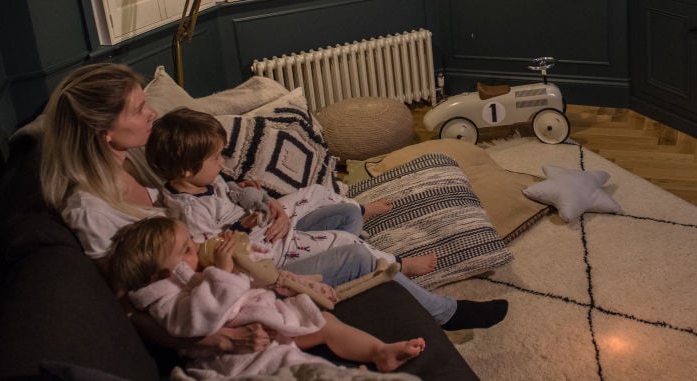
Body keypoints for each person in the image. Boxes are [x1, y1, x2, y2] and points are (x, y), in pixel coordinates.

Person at [39, 62, 507, 340]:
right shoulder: (90, 209)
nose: (152, 113)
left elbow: (214, 189)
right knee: (355, 253)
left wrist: (266, 204)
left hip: (256, 241)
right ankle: (445, 313)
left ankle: (373, 251)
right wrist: (212, 338)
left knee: (337, 215)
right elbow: (130, 303)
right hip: (241, 279)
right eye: (140, 109)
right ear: (103, 131)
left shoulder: (130, 161)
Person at [109, 216, 425, 378]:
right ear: (167, 272)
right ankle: (340, 378)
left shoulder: (194, 275)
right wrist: (221, 271)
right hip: (242, 356)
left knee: (323, 321)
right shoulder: (166, 301)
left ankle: (379, 352)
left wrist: (244, 254)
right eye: (188, 249)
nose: (198, 246)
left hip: (270, 320)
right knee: (291, 364)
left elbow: (255, 274)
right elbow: (199, 320)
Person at [146, 107, 437, 277]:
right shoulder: (188, 211)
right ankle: (400, 265)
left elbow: (226, 192)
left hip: (265, 218)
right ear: (187, 170)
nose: (222, 162)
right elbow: (209, 252)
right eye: (215, 158)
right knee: (344, 241)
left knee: (315, 191)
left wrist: (246, 191)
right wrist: (241, 228)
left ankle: (359, 210)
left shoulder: (202, 179)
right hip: (266, 247)